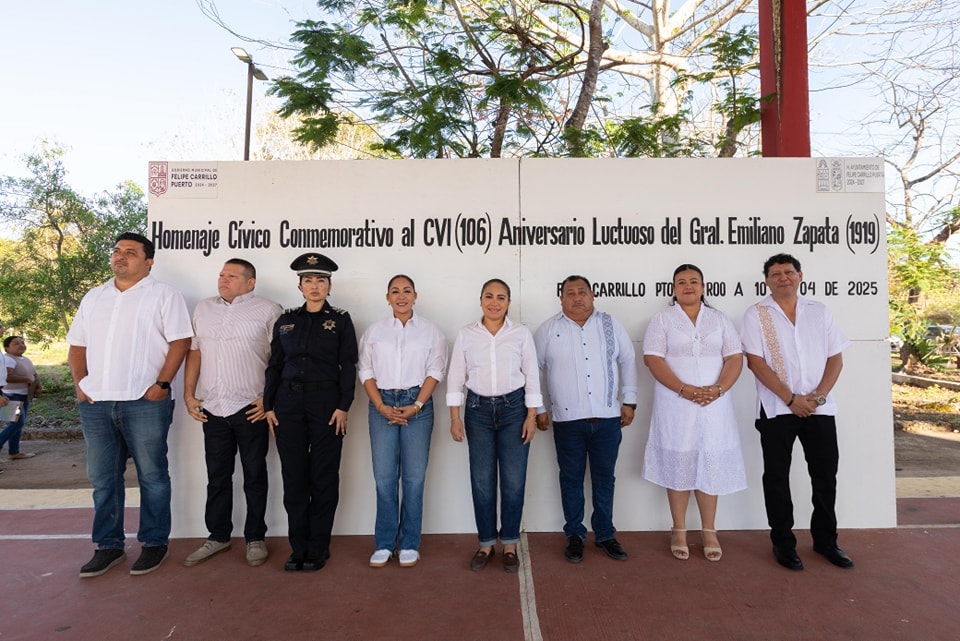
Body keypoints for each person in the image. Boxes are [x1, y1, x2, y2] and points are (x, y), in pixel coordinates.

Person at [67, 232, 192, 578]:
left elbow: (180, 341)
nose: (121, 257)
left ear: (148, 261)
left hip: (144, 401)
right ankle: (108, 546)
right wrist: (81, 387)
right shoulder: (94, 297)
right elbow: (77, 346)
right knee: (104, 478)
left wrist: (162, 385)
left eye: (131, 253)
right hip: (97, 402)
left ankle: (154, 543)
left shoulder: (164, 295)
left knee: (152, 475)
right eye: (118, 251)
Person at [741, 253, 854, 571]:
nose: (783, 278)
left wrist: (817, 397)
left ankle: (826, 542)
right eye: (775, 274)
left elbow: (836, 359)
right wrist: (791, 398)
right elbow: (755, 362)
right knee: (776, 477)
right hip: (777, 408)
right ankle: (783, 544)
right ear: (766, 280)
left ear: (800, 276)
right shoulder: (757, 314)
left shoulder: (819, 312)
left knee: (825, 476)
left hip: (820, 408)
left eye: (788, 272)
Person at [641, 264, 746, 562]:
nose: (688, 286)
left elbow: (734, 358)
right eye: (681, 282)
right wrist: (684, 389)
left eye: (694, 281)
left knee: (710, 461)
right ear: (673, 288)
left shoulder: (719, 319)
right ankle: (679, 529)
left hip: (715, 404)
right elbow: (653, 358)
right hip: (676, 403)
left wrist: (719, 389)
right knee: (680, 461)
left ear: (703, 286)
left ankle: (709, 530)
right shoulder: (662, 319)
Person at [182, 258, 282, 568]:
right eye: (222, 275)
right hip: (213, 406)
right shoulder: (203, 308)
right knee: (217, 476)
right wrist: (188, 394)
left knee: (254, 474)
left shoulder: (269, 310)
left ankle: (255, 538)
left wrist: (269, 399)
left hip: (250, 407)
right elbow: (195, 352)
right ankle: (218, 535)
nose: (223, 280)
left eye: (232, 276)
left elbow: (280, 359)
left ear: (250, 283)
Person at [263, 253, 358, 572]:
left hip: (327, 405)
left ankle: (318, 547)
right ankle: (297, 547)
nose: (314, 286)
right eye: (308, 281)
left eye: (320, 280)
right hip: (288, 406)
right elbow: (274, 364)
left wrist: (344, 405)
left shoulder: (341, 320)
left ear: (329, 286)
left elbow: (348, 366)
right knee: (294, 476)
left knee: (323, 476)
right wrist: (268, 406)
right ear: (300, 286)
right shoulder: (286, 320)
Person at [535, 275, 637, 563]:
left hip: (607, 418)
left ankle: (605, 534)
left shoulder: (610, 324)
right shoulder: (549, 329)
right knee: (571, 478)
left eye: (582, 292)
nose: (577, 297)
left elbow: (628, 359)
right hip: (567, 421)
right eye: (570, 293)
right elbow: (532, 369)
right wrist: (539, 408)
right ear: (561, 298)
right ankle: (575, 535)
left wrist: (629, 401)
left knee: (605, 478)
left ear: (592, 295)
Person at [447, 279, 541, 573]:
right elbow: (455, 378)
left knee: (513, 481)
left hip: (514, 410)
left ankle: (510, 543)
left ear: (509, 302)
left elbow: (533, 376)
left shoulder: (521, 334)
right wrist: (454, 417)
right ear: (480, 300)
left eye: (501, 297)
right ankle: (486, 543)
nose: (495, 302)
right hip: (477, 412)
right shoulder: (466, 334)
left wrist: (531, 415)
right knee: (482, 481)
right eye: (489, 296)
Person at [359, 274, 447, 568]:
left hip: (417, 405)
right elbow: (366, 371)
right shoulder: (375, 331)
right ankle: (384, 543)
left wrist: (417, 404)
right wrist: (381, 405)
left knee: (414, 478)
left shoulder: (431, 331)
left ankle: (409, 542)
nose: (401, 296)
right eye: (395, 291)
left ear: (415, 295)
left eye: (406, 291)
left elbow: (435, 370)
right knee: (384, 478)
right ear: (387, 297)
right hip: (381, 404)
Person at [1, 336, 40, 461]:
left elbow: (33, 374)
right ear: (7, 347)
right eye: (16, 343)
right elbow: (7, 377)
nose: (21, 345)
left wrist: (38, 385)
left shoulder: (25, 359)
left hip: (24, 395)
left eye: (22, 342)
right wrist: (26, 380)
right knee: (18, 422)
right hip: (12, 396)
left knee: (17, 424)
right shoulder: (8, 359)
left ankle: (14, 452)